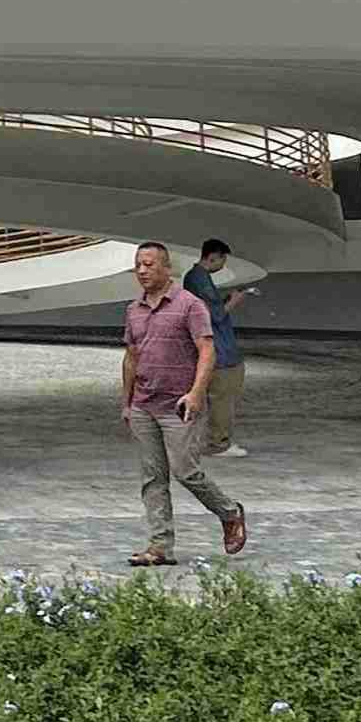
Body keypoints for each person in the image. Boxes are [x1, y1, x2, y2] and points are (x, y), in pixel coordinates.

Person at [117, 241, 248, 565]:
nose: (142, 270)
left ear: (167, 268)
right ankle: (160, 547)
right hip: (144, 405)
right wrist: (127, 402)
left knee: (185, 471)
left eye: (149, 264)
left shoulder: (190, 305)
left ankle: (230, 512)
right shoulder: (134, 310)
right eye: (138, 265)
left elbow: (207, 350)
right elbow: (131, 357)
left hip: (180, 405)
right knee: (153, 477)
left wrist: (197, 392)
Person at [178, 237, 252, 457]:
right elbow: (215, 315)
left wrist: (225, 300)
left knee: (216, 396)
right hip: (220, 350)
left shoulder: (195, 278)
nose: (223, 265)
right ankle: (218, 444)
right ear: (213, 257)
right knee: (223, 396)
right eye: (222, 260)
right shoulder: (199, 279)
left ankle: (205, 439)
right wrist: (235, 300)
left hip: (214, 347)